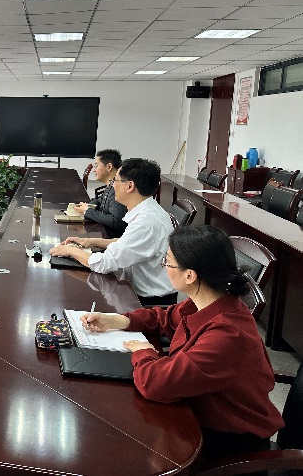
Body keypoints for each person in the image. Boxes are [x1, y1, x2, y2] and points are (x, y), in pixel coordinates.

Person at [81, 225, 284, 460]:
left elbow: (155, 383)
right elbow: (162, 318)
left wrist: (145, 352)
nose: (164, 267)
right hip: (198, 413)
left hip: (231, 446)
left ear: (190, 275)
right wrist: (117, 320)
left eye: (167, 262)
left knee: (121, 446)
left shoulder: (227, 335)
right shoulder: (208, 300)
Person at [50, 158, 176, 305]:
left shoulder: (146, 223)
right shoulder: (149, 211)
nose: (112, 185)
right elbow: (126, 243)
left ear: (130, 186)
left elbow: (104, 264)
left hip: (149, 304)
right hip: (138, 292)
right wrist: (89, 241)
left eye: (115, 180)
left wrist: (70, 251)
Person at [72, 149, 127, 237]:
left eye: (96, 166)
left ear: (109, 167)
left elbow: (115, 221)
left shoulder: (117, 189)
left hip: (112, 239)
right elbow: (99, 200)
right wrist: (85, 206)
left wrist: (87, 211)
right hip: (104, 233)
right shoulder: (111, 185)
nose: (94, 170)